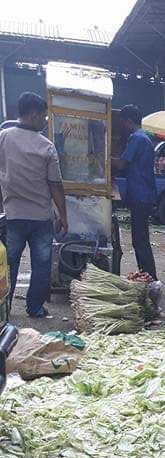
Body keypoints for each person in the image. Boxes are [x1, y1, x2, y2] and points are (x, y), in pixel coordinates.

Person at [0, 91, 67, 319]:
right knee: (41, 264)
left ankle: (4, 308)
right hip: (40, 218)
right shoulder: (46, 146)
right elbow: (55, 185)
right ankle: (35, 308)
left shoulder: (3, 137)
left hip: (13, 215)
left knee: (9, 265)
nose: (44, 120)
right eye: (43, 116)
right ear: (33, 114)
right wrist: (63, 216)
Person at [112, 104, 157, 279]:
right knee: (141, 237)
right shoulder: (143, 138)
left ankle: (148, 275)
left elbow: (122, 164)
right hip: (144, 194)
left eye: (123, 123)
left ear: (128, 122)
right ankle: (147, 274)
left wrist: (105, 158)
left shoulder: (137, 138)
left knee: (139, 239)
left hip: (140, 194)